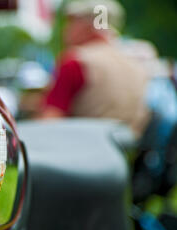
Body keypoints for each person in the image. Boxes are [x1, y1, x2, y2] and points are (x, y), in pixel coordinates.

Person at [40, 0, 151, 139]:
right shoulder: (136, 65)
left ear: (87, 25)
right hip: (125, 155)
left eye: (72, 21)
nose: (66, 29)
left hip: (80, 151)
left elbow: (49, 123)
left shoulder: (76, 62)